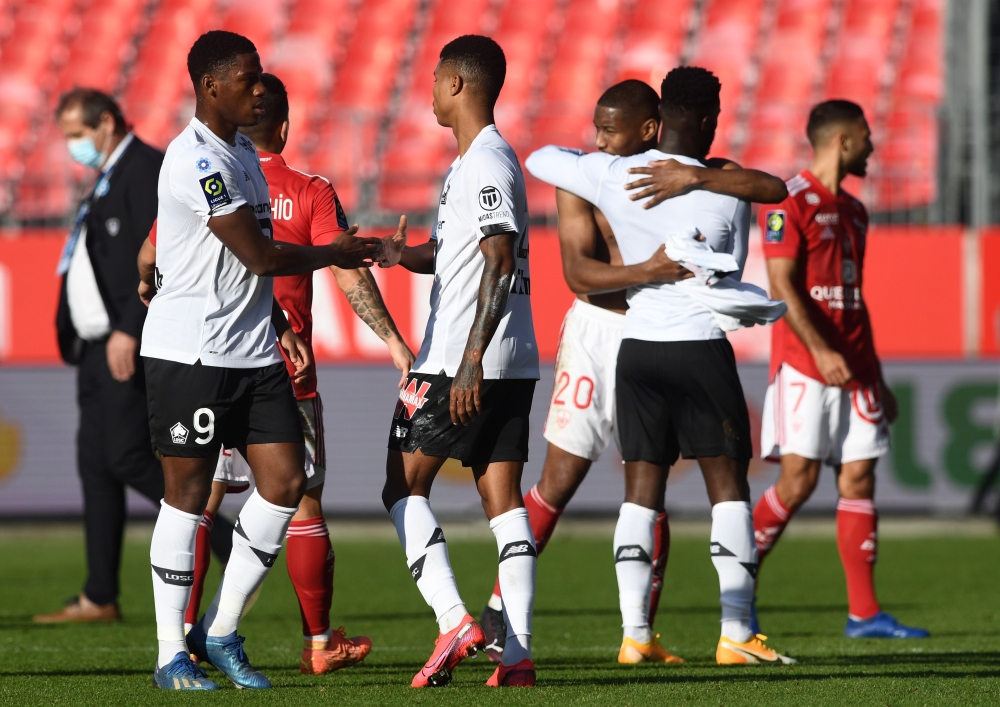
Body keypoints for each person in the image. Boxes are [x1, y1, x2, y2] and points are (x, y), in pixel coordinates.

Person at [478, 79, 789, 665]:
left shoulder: (655, 174)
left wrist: (693, 180)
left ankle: (639, 634)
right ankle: (501, 606)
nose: (597, 138)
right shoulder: (589, 177)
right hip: (602, 331)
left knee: (647, 488)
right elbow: (577, 273)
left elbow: (763, 188)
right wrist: (649, 268)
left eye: (608, 128)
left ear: (650, 129)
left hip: (645, 336)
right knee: (562, 479)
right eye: (596, 127)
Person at [140, 30, 390, 691]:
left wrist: (277, 320)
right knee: (188, 496)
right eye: (249, 78)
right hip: (191, 352)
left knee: (287, 480)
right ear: (212, 86)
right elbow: (259, 256)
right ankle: (171, 653)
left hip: (253, 349)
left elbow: (222, 264)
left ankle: (221, 630)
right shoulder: (198, 160)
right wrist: (336, 253)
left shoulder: (245, 154)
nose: (259, 87)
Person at [385, 35, 539, 688]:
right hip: (515, 360)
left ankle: (453, 618)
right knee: (502, 501)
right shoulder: (473, 164)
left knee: (401, 487)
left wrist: (470, 358)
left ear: (458, 84)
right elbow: (461, 253)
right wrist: (401, 256)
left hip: (458, 359)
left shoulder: (487, 162)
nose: (429, 85)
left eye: (436, 74)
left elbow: (500, 258)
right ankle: (518, 656)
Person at [752, 99, 928, 639]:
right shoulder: (787, 201)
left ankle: (864, 613)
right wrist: (822, 351)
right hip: (806, 364)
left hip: (853, 369)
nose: (873, 145)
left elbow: (853, 298)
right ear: (841, 141)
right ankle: (736, 592)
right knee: (798, 480)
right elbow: (781, 286)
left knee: (859, 475)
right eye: (866, 135)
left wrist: (872, 370)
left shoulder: (855, 210)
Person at [37, 89, 167, 624]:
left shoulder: (145, 169)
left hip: (122, 339)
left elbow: (160, 253)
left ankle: (229, 544)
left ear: (106, 123)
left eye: (76, 133)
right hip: (93, 346)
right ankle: (99, 595)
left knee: (127, 456)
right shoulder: (110, 174)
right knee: (96, 465)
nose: (72, 145)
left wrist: (128, 328)